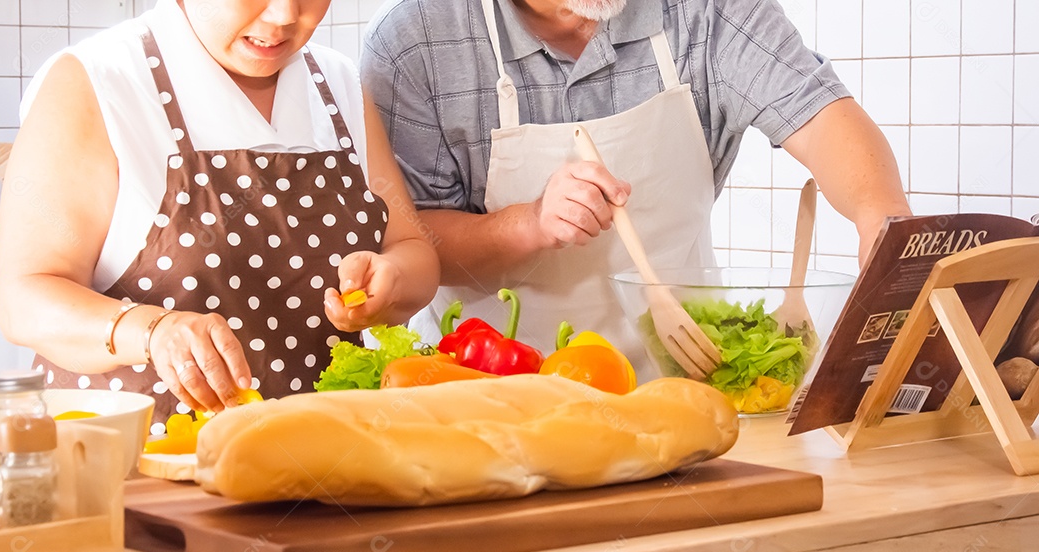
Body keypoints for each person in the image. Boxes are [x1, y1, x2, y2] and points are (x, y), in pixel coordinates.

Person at [360, 0, 912, 376]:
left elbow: (819, 116)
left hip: (688, 383)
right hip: (490, 390)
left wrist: (883, 222)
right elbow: (413, 244)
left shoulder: (708, 11)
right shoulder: (414, 43)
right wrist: (529, 223)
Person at [0, 0, 440, 433]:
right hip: (136, 471)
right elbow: (25, 299)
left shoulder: (337, 85)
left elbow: (413, 251)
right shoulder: (98, 82)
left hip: (319, 466)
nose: (284, 14)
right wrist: (153, 331)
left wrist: (392, 279)